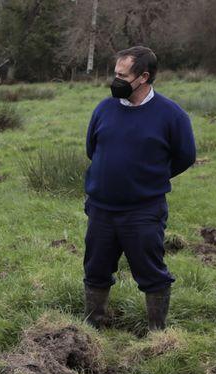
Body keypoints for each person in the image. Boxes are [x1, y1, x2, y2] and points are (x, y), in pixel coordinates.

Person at [83, 46, 196, 332]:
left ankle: (157, 334)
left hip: (143, 211)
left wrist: (150, 178)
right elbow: (91, 149)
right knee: (95, 270)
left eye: (122, 75)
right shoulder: (104, 109)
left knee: (151, 273)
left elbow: (185, 156)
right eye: (115, 74)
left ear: (143, 77)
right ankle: (92, 329)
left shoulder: (172, 115)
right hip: (101, 209)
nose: (115, 80)